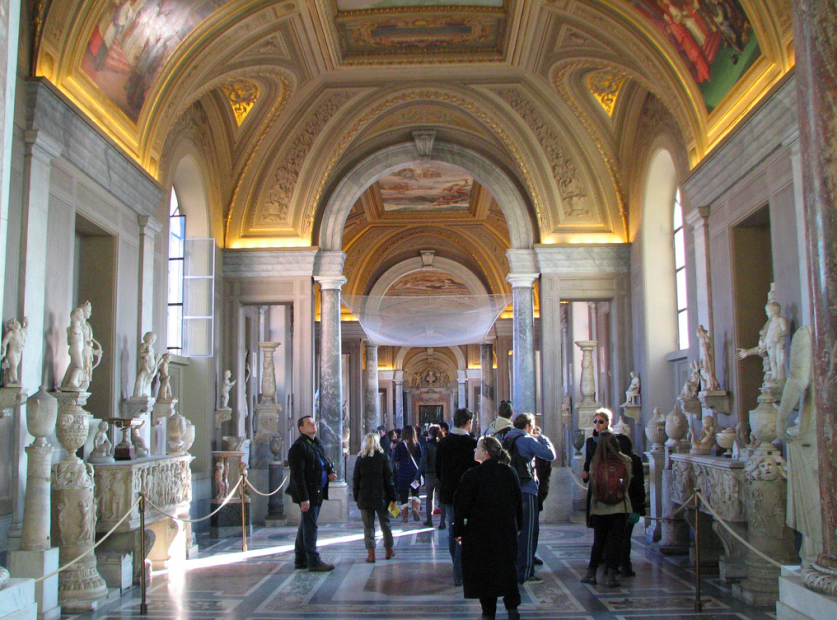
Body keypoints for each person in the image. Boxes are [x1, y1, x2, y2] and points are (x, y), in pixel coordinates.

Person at [454, 436, 522, 620]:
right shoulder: (510, 472)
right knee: (508, 568)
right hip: (505, 530)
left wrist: (458, 531)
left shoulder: (472, 475)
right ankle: (512, 608)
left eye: (477, 447)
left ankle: (488, 612)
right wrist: (519, 526)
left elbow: (461, 507)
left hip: (480, 532)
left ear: (486, 453)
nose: (474, 450)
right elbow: (518, 502)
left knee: (486, 573)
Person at [502, 412, 556, 584]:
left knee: (514, 530)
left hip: (510, 490)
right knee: (529, 531)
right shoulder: (528, 439)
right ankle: (525, 572)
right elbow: (550, 455)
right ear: (528, 426)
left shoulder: (507, 437)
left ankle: (511, 566)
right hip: (526, 490)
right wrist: (543, 438)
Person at [580, 431, 633, 587]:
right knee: (616, 542)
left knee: (599, 541)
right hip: (620, 507)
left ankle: (591, 573)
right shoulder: (626, 460)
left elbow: (593, 485)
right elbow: (627, 483)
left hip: (600, 507)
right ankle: (611, 576)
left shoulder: (595, 462)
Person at [287, 415, 337, 572]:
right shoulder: (298, 447)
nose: (313, 424)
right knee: (310, 527)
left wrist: (329, 471)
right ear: (302, 429)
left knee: (306, 524)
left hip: (318, 490)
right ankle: (313, 561)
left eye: (313, 422)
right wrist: (304, 498)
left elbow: (323, 460)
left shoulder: (315, 443)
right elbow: (298, 476)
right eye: (309, 423)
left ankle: (300, 558)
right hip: (308, 493)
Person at [436, 407, 478, 585]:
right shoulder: (472, 444)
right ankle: (459, 573)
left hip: (448, 493)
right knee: (465, 532)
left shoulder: (444, 443)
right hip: (467, 495)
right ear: (468, 423)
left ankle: (457, 567)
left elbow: (438, 471)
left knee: (454, 531)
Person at [353, 432, 397, 563]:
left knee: (368, 526)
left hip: (365, 497)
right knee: (385, 524)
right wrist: (393, 498)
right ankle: (389, 550)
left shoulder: (360, 459)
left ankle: (371, 554)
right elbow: (389, 479)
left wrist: (356, 498)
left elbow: (356, 480)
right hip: (381, 497)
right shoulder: (384, 458)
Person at [616, 433, 645, 577]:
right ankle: (626, 565)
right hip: (632, 504)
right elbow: (640, 484)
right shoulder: (635, 460)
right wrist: (640, 506)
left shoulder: (613, 460)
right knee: (626, 536)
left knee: (615, 535)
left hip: (616, 503)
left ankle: (614, 565)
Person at [582, 408, 611, 528]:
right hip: (595, 477)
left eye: (600, 421)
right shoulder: (590, 441)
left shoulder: (612, 439)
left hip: (608, 476)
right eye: (595, 421)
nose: (597, 424)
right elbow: (588, 459)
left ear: (607, 423)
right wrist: (585, 471)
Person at [392, 424, 422, 523]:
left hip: (403, 473)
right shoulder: (417, 444)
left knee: (403, 494)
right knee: (415, 492)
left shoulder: (400, 445)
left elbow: (396, 458)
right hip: (415, 474)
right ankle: (415, 508)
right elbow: (421, 458)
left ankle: (405, 516)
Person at [418, 424, 443, 526]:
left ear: (429, 434)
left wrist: (417, 476)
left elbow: (423, 461)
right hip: (441, 475)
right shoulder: (442, 444)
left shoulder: (426, 445)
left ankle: (429, 520)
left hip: (430, 474)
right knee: (441, 498)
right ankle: (442, 522)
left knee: (429, 498)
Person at [0, 316, 28, 386]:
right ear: (13, 326)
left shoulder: (21, 331)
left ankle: (9, 379)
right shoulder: (10, 333)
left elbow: (26, 328)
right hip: (12, 352)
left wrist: (27, 322)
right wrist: (3, 351)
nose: (18, 323)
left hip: (18, 352)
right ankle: (15, 380)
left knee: (14, 366)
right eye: (16, 322)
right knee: (14, 365)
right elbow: (4, 343)